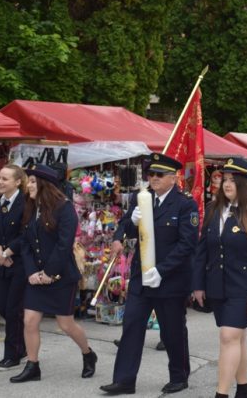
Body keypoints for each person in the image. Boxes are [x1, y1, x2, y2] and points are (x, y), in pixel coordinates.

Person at [101, 153, 198, 396]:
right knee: (132, 325)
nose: (153, 178)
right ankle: (124, 380)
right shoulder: (141, 198)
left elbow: (187, 244)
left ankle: (179, 376)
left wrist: (161, 270)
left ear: (173, 178)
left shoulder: (185, 204)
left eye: (159, 175)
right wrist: (124, 230)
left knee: (172, 330)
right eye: (151, 174)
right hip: (141, 276)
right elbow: (125, 227)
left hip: (170, 278)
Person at [192, 158, 247, 398]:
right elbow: (202, 251)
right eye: (223, 179)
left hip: (244, 288)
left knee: (228, 337)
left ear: (245, 183)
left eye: (232, 180)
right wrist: (197, 284)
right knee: (237, 338)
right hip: (217, 285)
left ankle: (221, 394)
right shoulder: (212, 209)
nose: (226, 184)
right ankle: (244, 388)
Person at [10, 164, 96, 383]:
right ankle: (33, 366)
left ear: (44, 184)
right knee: (29, 320)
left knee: (65, 324)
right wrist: (32, 272)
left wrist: (48, 272)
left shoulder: (64, 208)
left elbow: (64, 244)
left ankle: (88, 354)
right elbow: (26, 243)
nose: (27, 185)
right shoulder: (30, 207)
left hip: (61, 276)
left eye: (31, 181)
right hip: (36, 276)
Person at [0, 164, 27, 371]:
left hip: (20, 263)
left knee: (13, 310)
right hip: (4, 262)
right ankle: (23, 345)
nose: (0, 182)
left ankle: (12, 355)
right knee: (3, 307)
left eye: (5, 179)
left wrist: (7, 252)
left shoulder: (26, 203)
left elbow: (26, 235)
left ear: (18, 182)